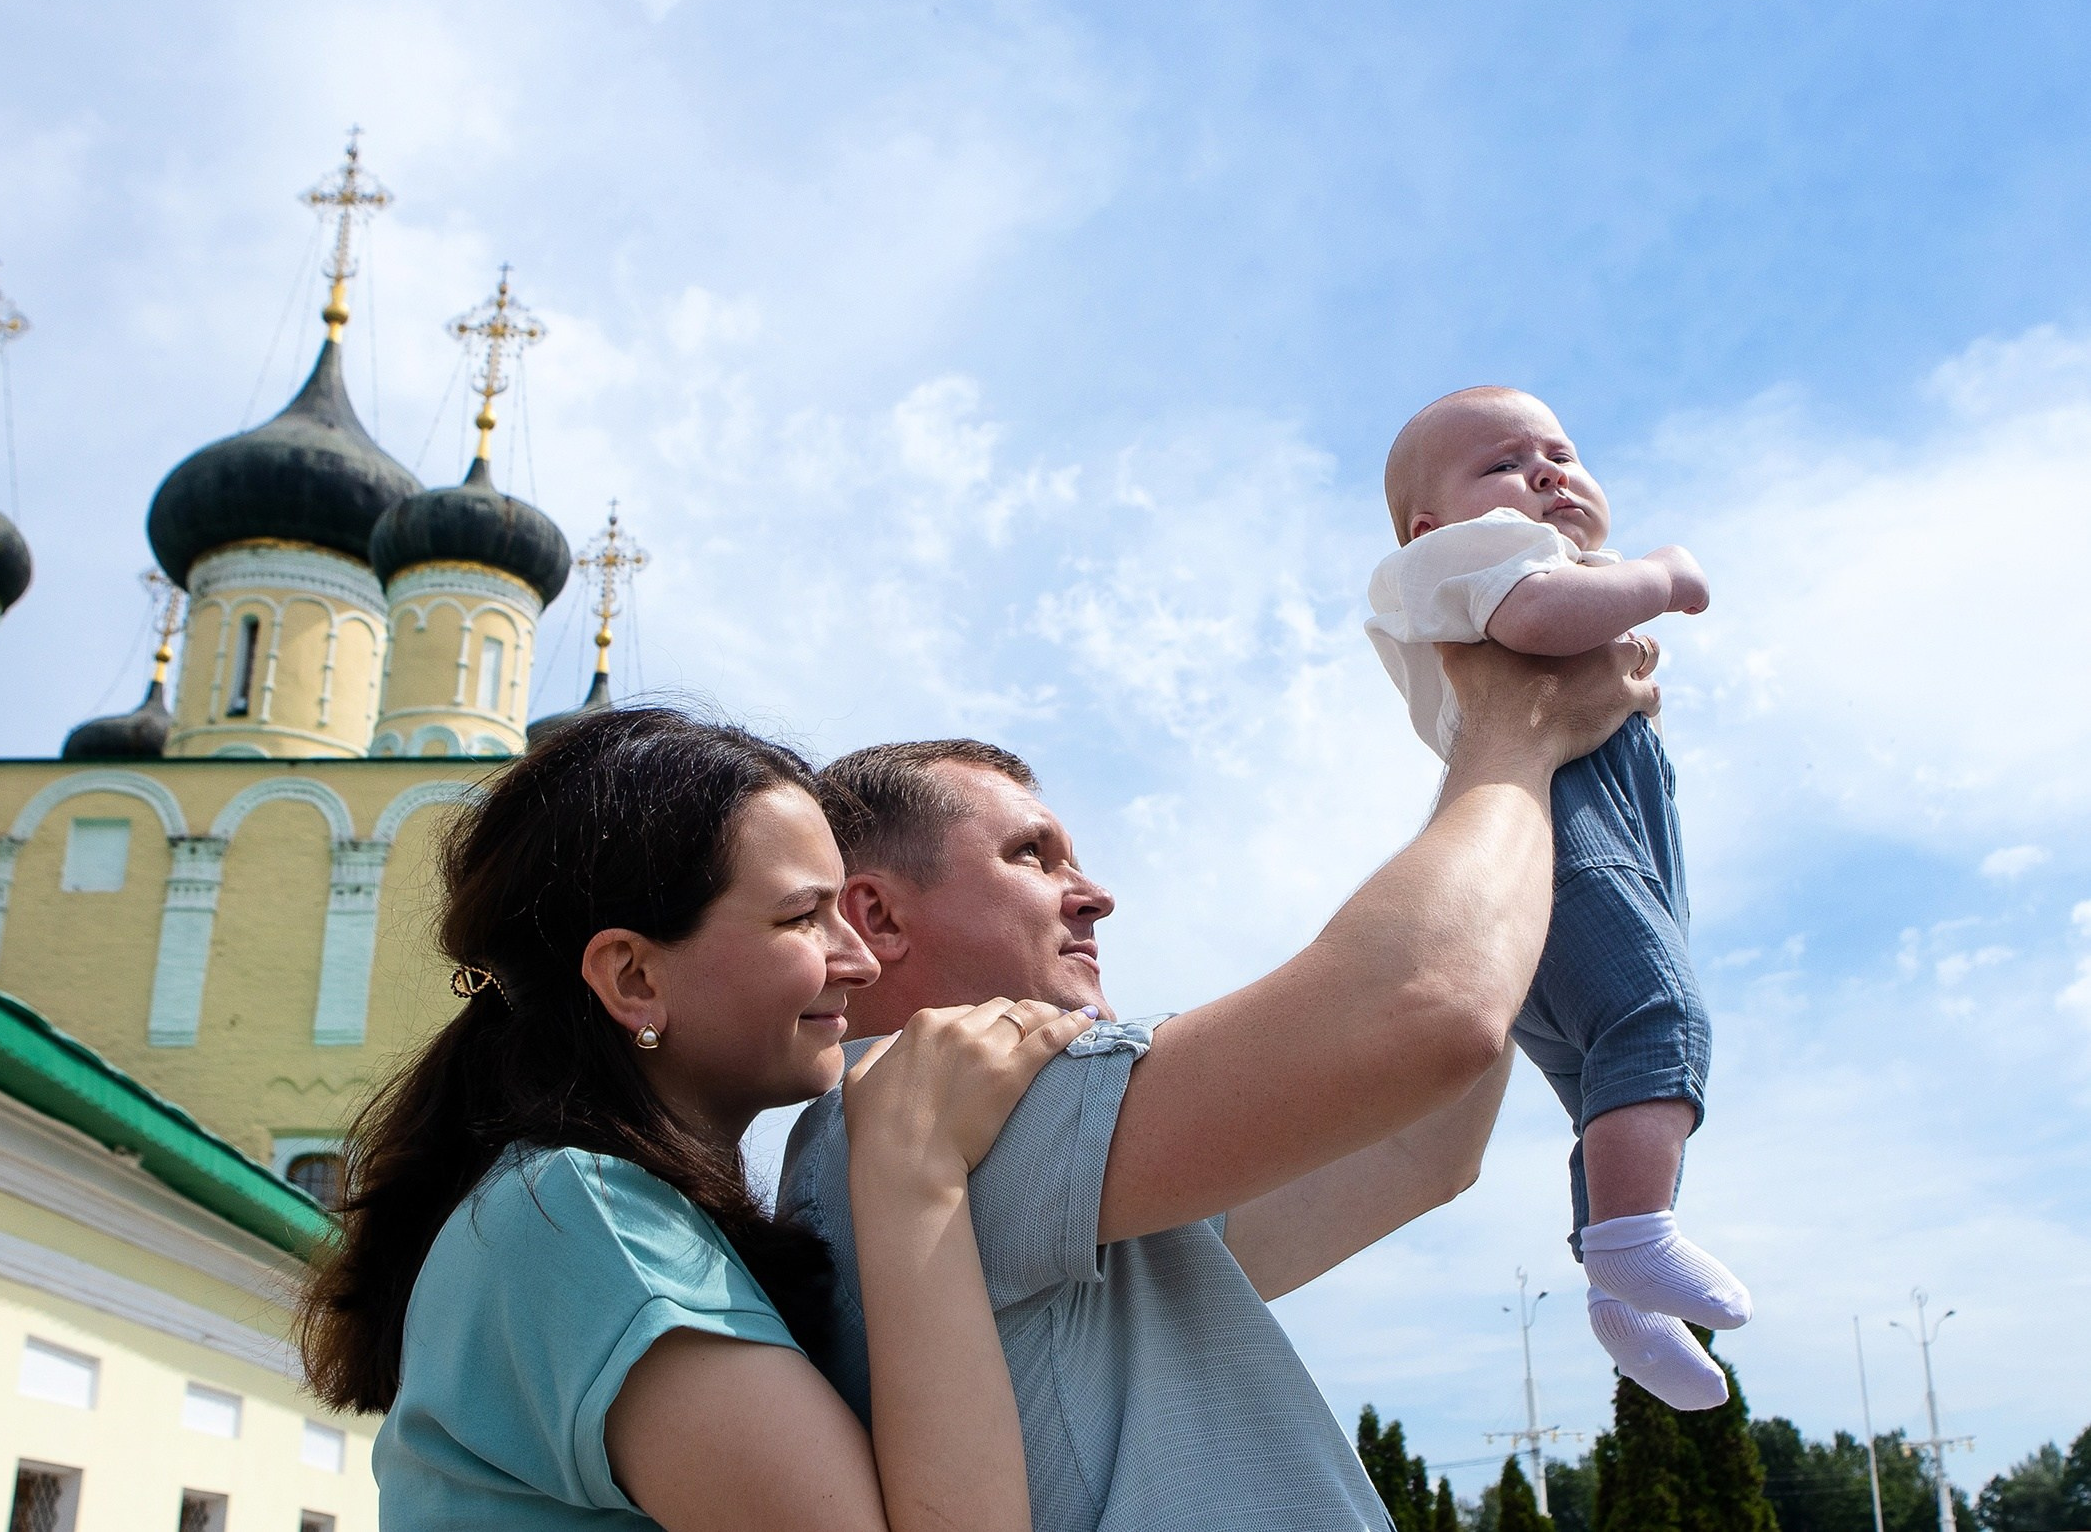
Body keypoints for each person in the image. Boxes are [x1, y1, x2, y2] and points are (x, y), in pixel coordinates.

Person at [780, 637, 1655, 1531]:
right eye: (1032, 856)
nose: (1095, 894)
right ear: (876, 916)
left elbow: (1418, 1148)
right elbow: (1430, 1006)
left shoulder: (967, 1147)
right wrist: (1514, 735)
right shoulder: (930, 1099)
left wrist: (1520, 781)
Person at [300, 707, 1094, 1531]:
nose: (856, 958)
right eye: (801, 917)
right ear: (634, 977)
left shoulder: (568, 1205)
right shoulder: (582, 1217)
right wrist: (913, 1170)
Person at [1366, 384, 1749, 1409]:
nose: (1541, 473)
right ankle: (1630, 1238)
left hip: (1606, 819)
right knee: (1653, 1016)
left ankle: (1621, 1296)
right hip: (1551, 812)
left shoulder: (1525, 560)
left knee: (1606, 1080)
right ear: (1427, 522)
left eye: (1560, 452)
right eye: (1500, 463)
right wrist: (1658, 576)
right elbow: (1536, 619)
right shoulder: (1466, 556)